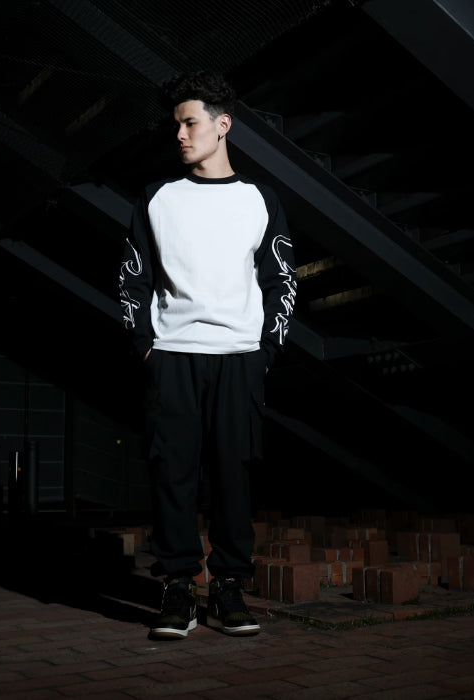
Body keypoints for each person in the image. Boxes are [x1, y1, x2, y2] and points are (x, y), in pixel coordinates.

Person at [119, 70, 296, 640]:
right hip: (172, 356)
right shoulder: (158, 198)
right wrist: (146, 347)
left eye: (190, 123)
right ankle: (178, 589)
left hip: (240, 358)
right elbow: (132, 279)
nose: (180, 134)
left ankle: (228, 587)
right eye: (176, 124)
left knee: (233, 477)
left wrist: (266, 350)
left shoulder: (258, 200)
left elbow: (281, 280)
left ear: (223, 126)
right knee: (172, 475)